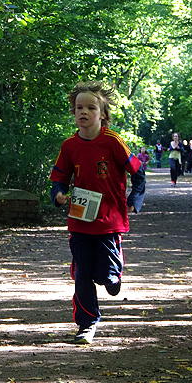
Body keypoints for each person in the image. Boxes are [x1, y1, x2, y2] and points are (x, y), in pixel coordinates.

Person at [50, 81, 144, 345]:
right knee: (82, 274)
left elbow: (138, 173)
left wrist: (135, 200)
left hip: (110, 221)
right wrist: (58, 194)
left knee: (106, 276)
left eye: (91, 107)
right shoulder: (69, 146)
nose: (84, 112)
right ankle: (87, 324)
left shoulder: (113, 142)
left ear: (102, 114)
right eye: (79, 107)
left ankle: (114, 276)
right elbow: (59, 178)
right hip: (79, 221)